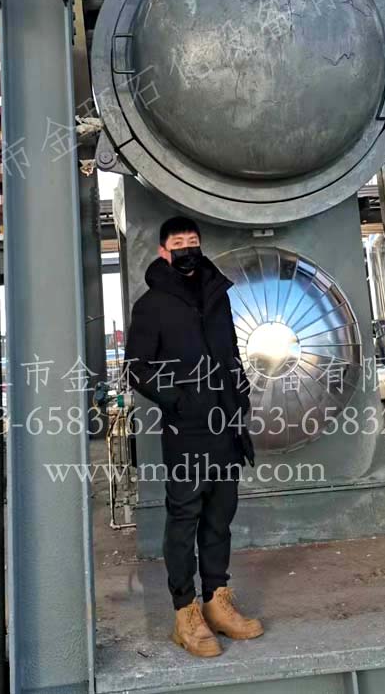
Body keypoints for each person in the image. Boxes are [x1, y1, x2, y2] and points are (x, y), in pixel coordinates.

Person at [125, 215, 263, 658]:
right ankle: (185, 613)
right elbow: (137, 368)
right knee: (185, 518)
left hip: (226, 425)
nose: (187, 248)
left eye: (193, 241)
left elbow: (230, 352)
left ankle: (217, 602)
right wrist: (180, 401)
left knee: (220, 517)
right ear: (164, 251)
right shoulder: (152, 306)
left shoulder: (217, 296)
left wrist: (240, 397)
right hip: (186, 429)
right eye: (178, 243)